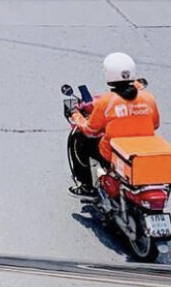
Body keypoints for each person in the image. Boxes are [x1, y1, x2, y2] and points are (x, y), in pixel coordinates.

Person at [68, 53, 161, 195]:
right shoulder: (148, 98)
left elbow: (90, 130)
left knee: (80, 140)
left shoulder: (106, 101)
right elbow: (155, 124)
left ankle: (86, 186)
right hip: (144, 151)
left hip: (113, 154)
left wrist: (75, 115)